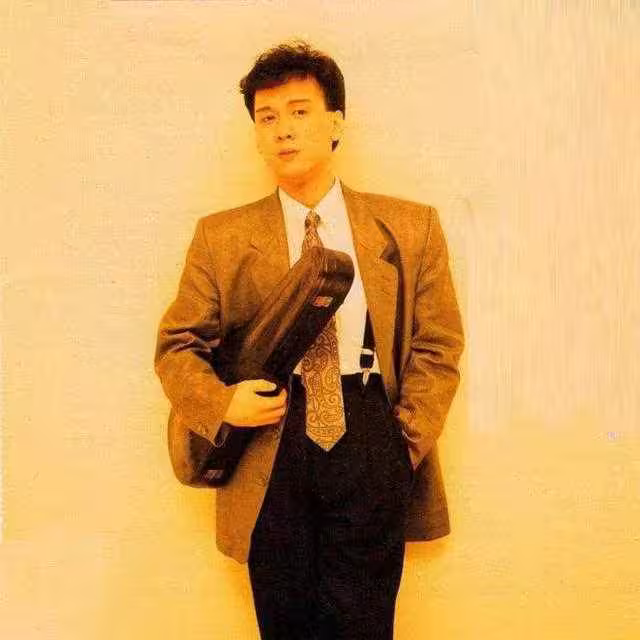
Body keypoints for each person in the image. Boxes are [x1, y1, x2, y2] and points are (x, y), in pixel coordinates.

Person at [155, 41, 464, 640]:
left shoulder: (410, 226)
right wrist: (222, 403)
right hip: (268, 441)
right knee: (285, 623)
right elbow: (177, 345)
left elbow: (438, 344)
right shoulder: (221, 236)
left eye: (299, 111)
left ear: (335, 122)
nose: (282, 130)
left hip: (372, 429)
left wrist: (402, 444)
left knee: (365, 625)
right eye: (266, 117)